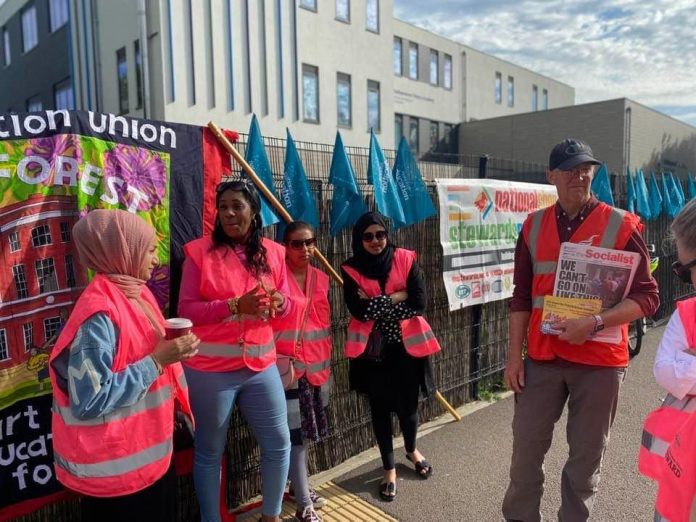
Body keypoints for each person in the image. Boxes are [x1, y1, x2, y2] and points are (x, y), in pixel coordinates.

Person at [502, 138, 659, 522]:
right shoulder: (533, 225)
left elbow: (649, 298)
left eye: (587, 166)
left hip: (600, 364)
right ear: (551, 176)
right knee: (525, 452)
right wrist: (512, 359)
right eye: (571, 167)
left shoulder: (622, 224)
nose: (581, 173)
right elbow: (521, 297)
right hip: (542, 358)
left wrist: (595, 322)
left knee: (585, 461)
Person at [49, 209, 199, 522]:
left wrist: (172, 356)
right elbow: (89, 400)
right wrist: (158, 361)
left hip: (148, 460)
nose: (156, 259)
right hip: (117, 479)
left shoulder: (136, 293)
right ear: (123, 251)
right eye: (148, 249)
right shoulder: (98, 317)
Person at [178, 180, 291, 522]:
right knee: (210, 452)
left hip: (260, 366)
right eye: (222, 206)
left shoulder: (275, 252)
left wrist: (281, 304)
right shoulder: (198, 252)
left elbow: (285, 303)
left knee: (279, 443)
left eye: (236, 206)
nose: (228, 213)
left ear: (254, 212)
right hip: (210, 371)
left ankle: (270, 516)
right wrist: (233, 305)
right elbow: (187, 309)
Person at [341, 212, 440, 502]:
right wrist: (397, 296)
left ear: (387, 234)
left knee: (409, 410)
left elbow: (419, 302)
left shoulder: (406, 259)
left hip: (407, 352)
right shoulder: (350, 269)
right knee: (380, 411)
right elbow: (359, 311)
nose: (375, 241)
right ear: (359, 240)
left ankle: (411, 449)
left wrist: (378, 302)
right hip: (373, 356)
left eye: (380, 234)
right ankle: (389, 469)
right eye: (368, 236)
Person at [639, 198, 696, 521]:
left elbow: (676, 373)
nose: (683, 280)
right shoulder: (687, 315)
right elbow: (664, 370)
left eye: (685, 271)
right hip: (683, 467)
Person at [274, 221, 332, 522]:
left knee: (305, 436)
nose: (304, 249)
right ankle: (304, 504)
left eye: (309, 242)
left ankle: (299, 489)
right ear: (285, 245)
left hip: (315, 369)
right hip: (286, 370)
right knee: (294, 437)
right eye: (296, 243)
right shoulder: (275, 278)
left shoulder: (321, 279)